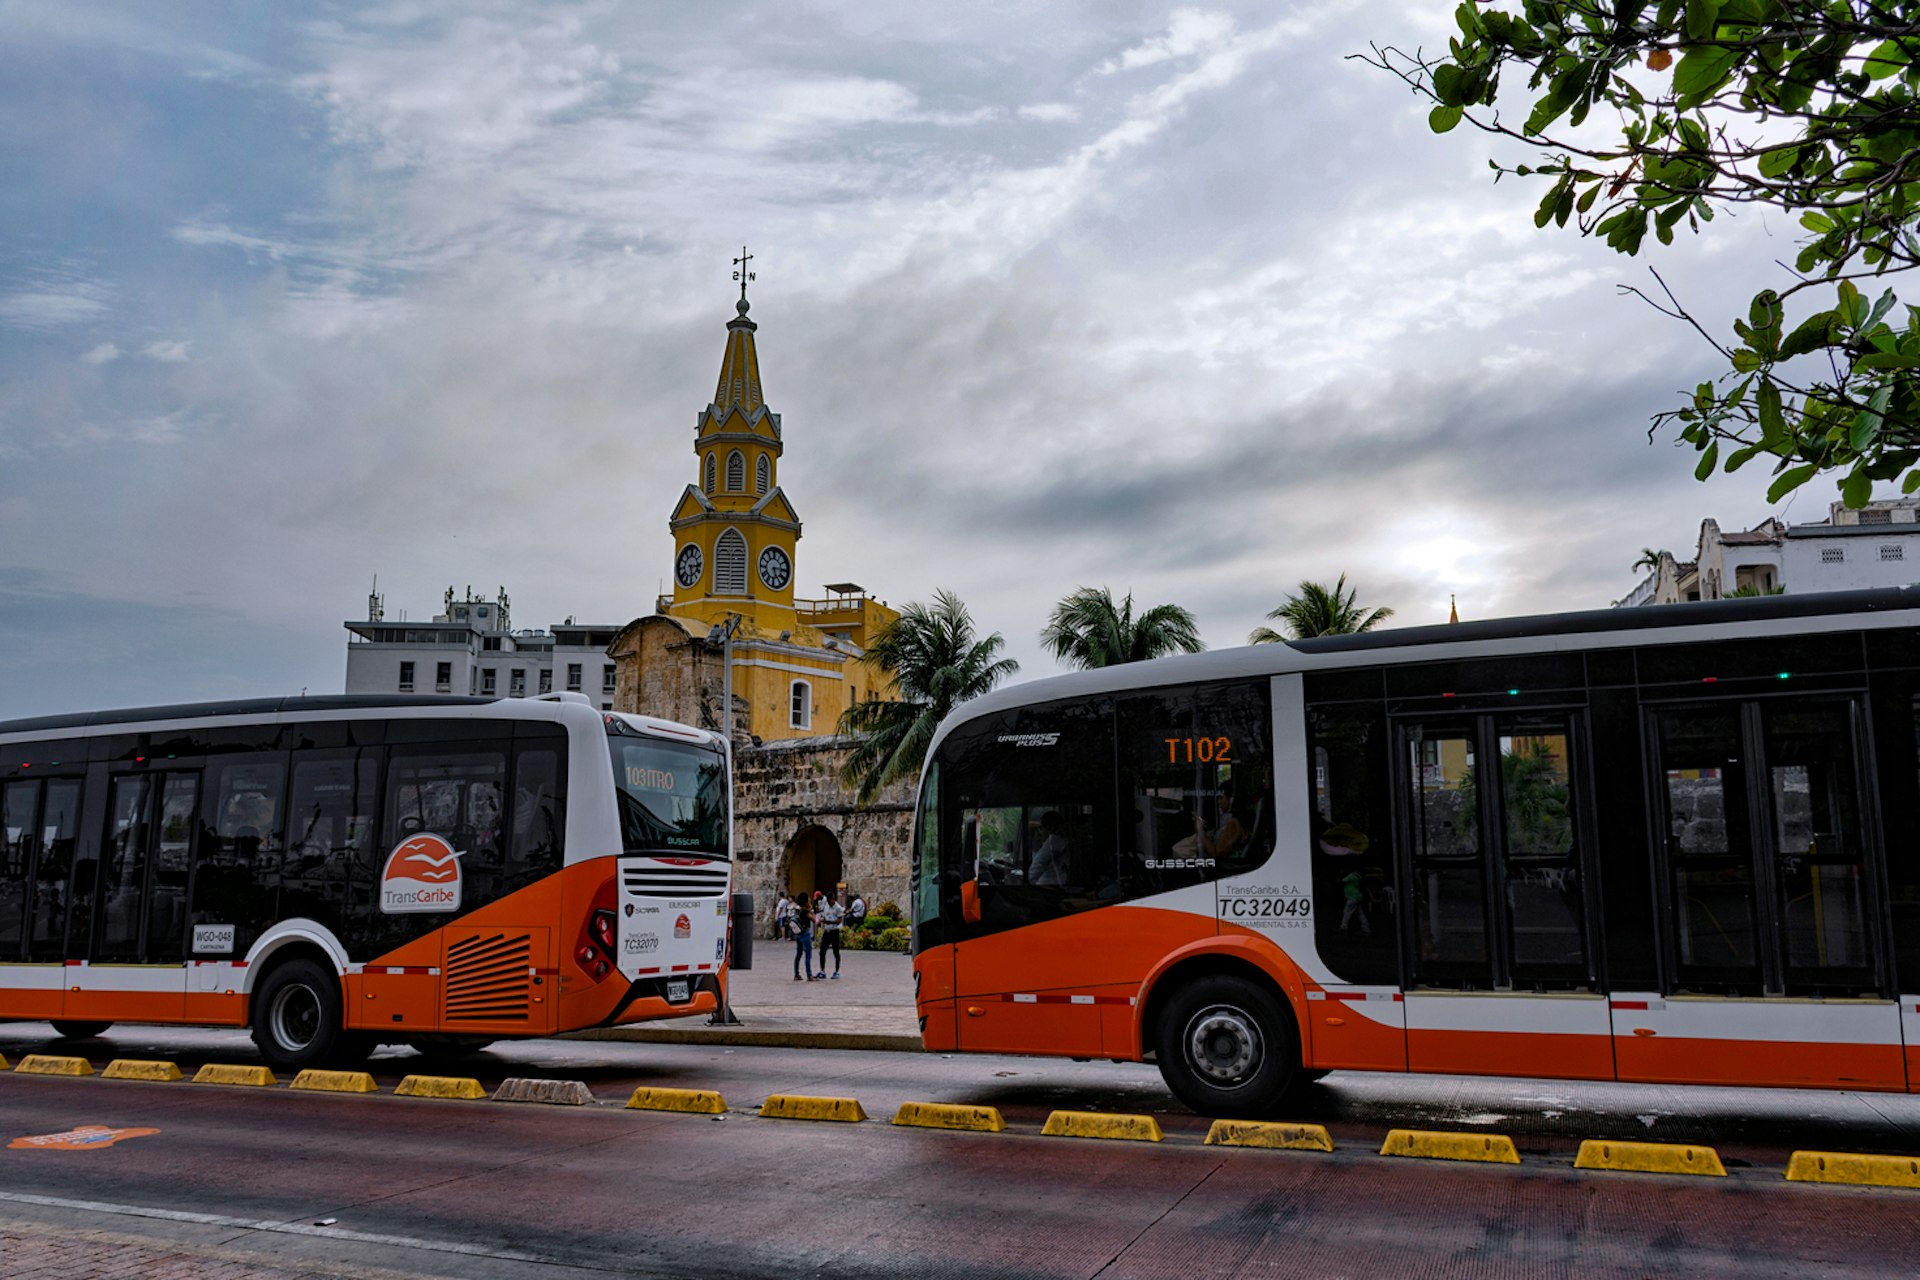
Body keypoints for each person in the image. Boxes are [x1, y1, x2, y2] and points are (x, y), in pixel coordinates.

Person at [1028, 812, 1070, 886]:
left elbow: (1033, 873)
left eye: (1041, 828)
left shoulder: (1052, 845)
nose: (1039, 833)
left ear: (1049, 828)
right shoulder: (1063, 842)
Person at [816, 893, 845, 979]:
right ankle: (822, 970)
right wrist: (822, 920)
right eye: (828, 901)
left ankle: (836, 971)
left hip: (834, 931)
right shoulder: (826, 906)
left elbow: (839, 920)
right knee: (822, 951)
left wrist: (830, 922)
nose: (829, 902)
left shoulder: (838, 908)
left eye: (831, 900)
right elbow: (824, 915)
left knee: (836, 951)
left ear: (834, 899)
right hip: (827, 930)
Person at [791, 893, 814, 981]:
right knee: (808, 954)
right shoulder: (805, 911)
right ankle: (809, 975)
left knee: (798, 954)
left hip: (798, 934)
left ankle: (796, 974)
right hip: (805, 933)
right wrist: (811, 910)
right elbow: (815, 920)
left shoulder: (798, 909)